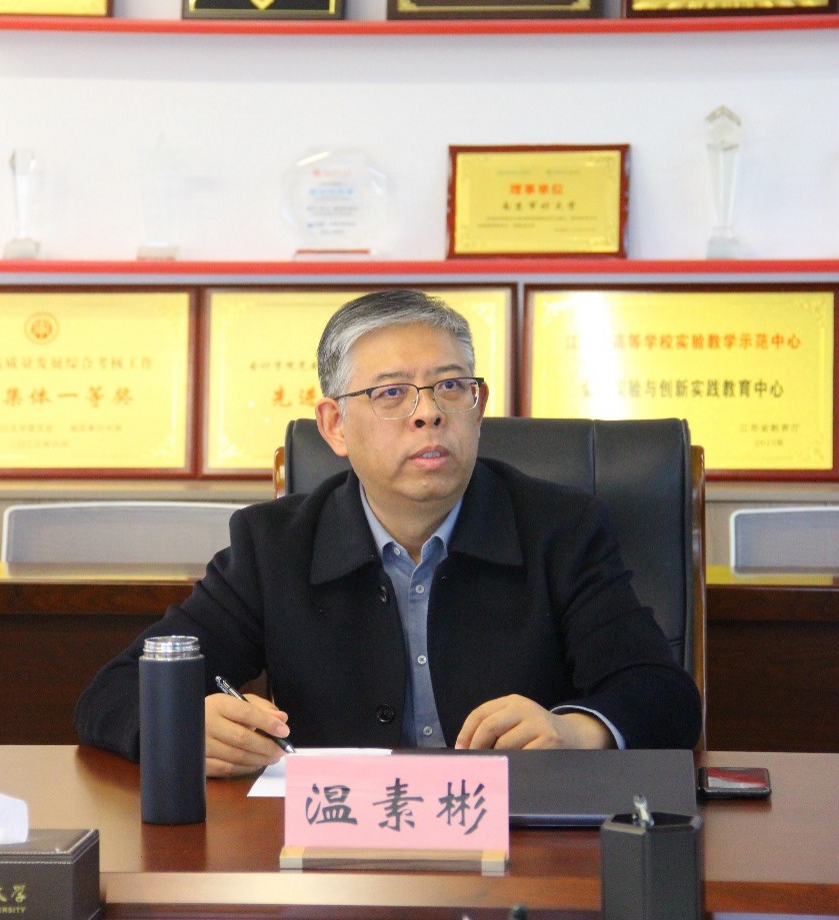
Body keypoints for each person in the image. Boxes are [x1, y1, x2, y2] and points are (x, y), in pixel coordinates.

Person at [75, 289, 701, 776]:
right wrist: (180, 724)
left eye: (450, 386)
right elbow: (113, 691)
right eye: (392, 393)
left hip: (517, 849)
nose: (428, 412)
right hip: (340, 851)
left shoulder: (560, 529)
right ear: (335, 425)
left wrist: (576, 732)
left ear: (478, 406)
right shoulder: (274, 547)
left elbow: (660, 694)